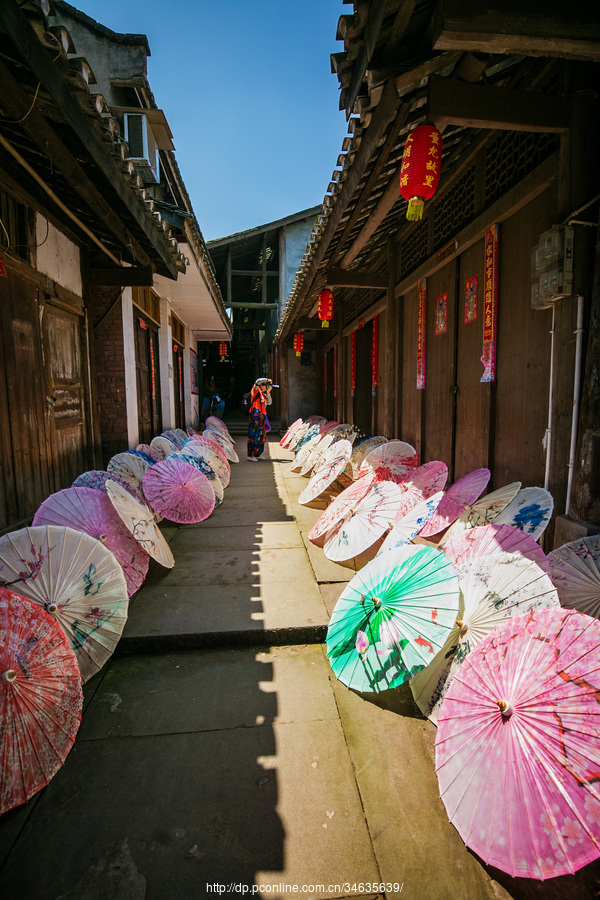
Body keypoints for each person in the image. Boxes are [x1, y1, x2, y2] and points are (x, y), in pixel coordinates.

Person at [247, 377, 272, 461]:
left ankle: (258, 454)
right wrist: (267, 379)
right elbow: (257, 381)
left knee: (261, 436)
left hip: (262, 416)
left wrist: (268, 392)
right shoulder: (255, 390)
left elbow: (269, 402)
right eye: (264, 385)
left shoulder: (263, 394)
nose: (266, 386)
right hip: (255, 415)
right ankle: (250, 455)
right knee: (253, 435)